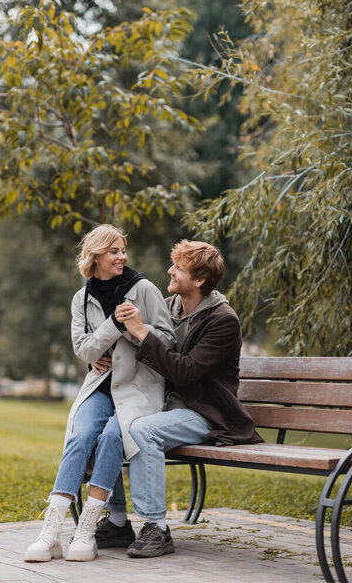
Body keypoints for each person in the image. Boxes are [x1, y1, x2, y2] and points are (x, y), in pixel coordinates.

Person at [94, 239, 263, 557]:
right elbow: (138, 344)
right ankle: (117, 522)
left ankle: (157, 528)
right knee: (111, 428)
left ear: (199, 280)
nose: (169, 271)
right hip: (166, 405)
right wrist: (98, 353)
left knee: (143, 430)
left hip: (206, 413)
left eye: (179, 268)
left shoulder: (222, 320)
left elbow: (185, 372)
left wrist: (143, 332)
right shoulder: (170, 308)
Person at [24, 224, 175, 563]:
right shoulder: (82, 298)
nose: (122, 256)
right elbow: (85, 351)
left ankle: (88, 530)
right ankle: (50, 533)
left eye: (123, 250)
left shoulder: (144, 289)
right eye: (114, 251)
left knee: (110, 438)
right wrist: (113, 326)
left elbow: (168, 341)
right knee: (81, 437)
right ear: (95, 256)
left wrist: (136, 327)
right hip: (99, 387)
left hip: (137, 388)